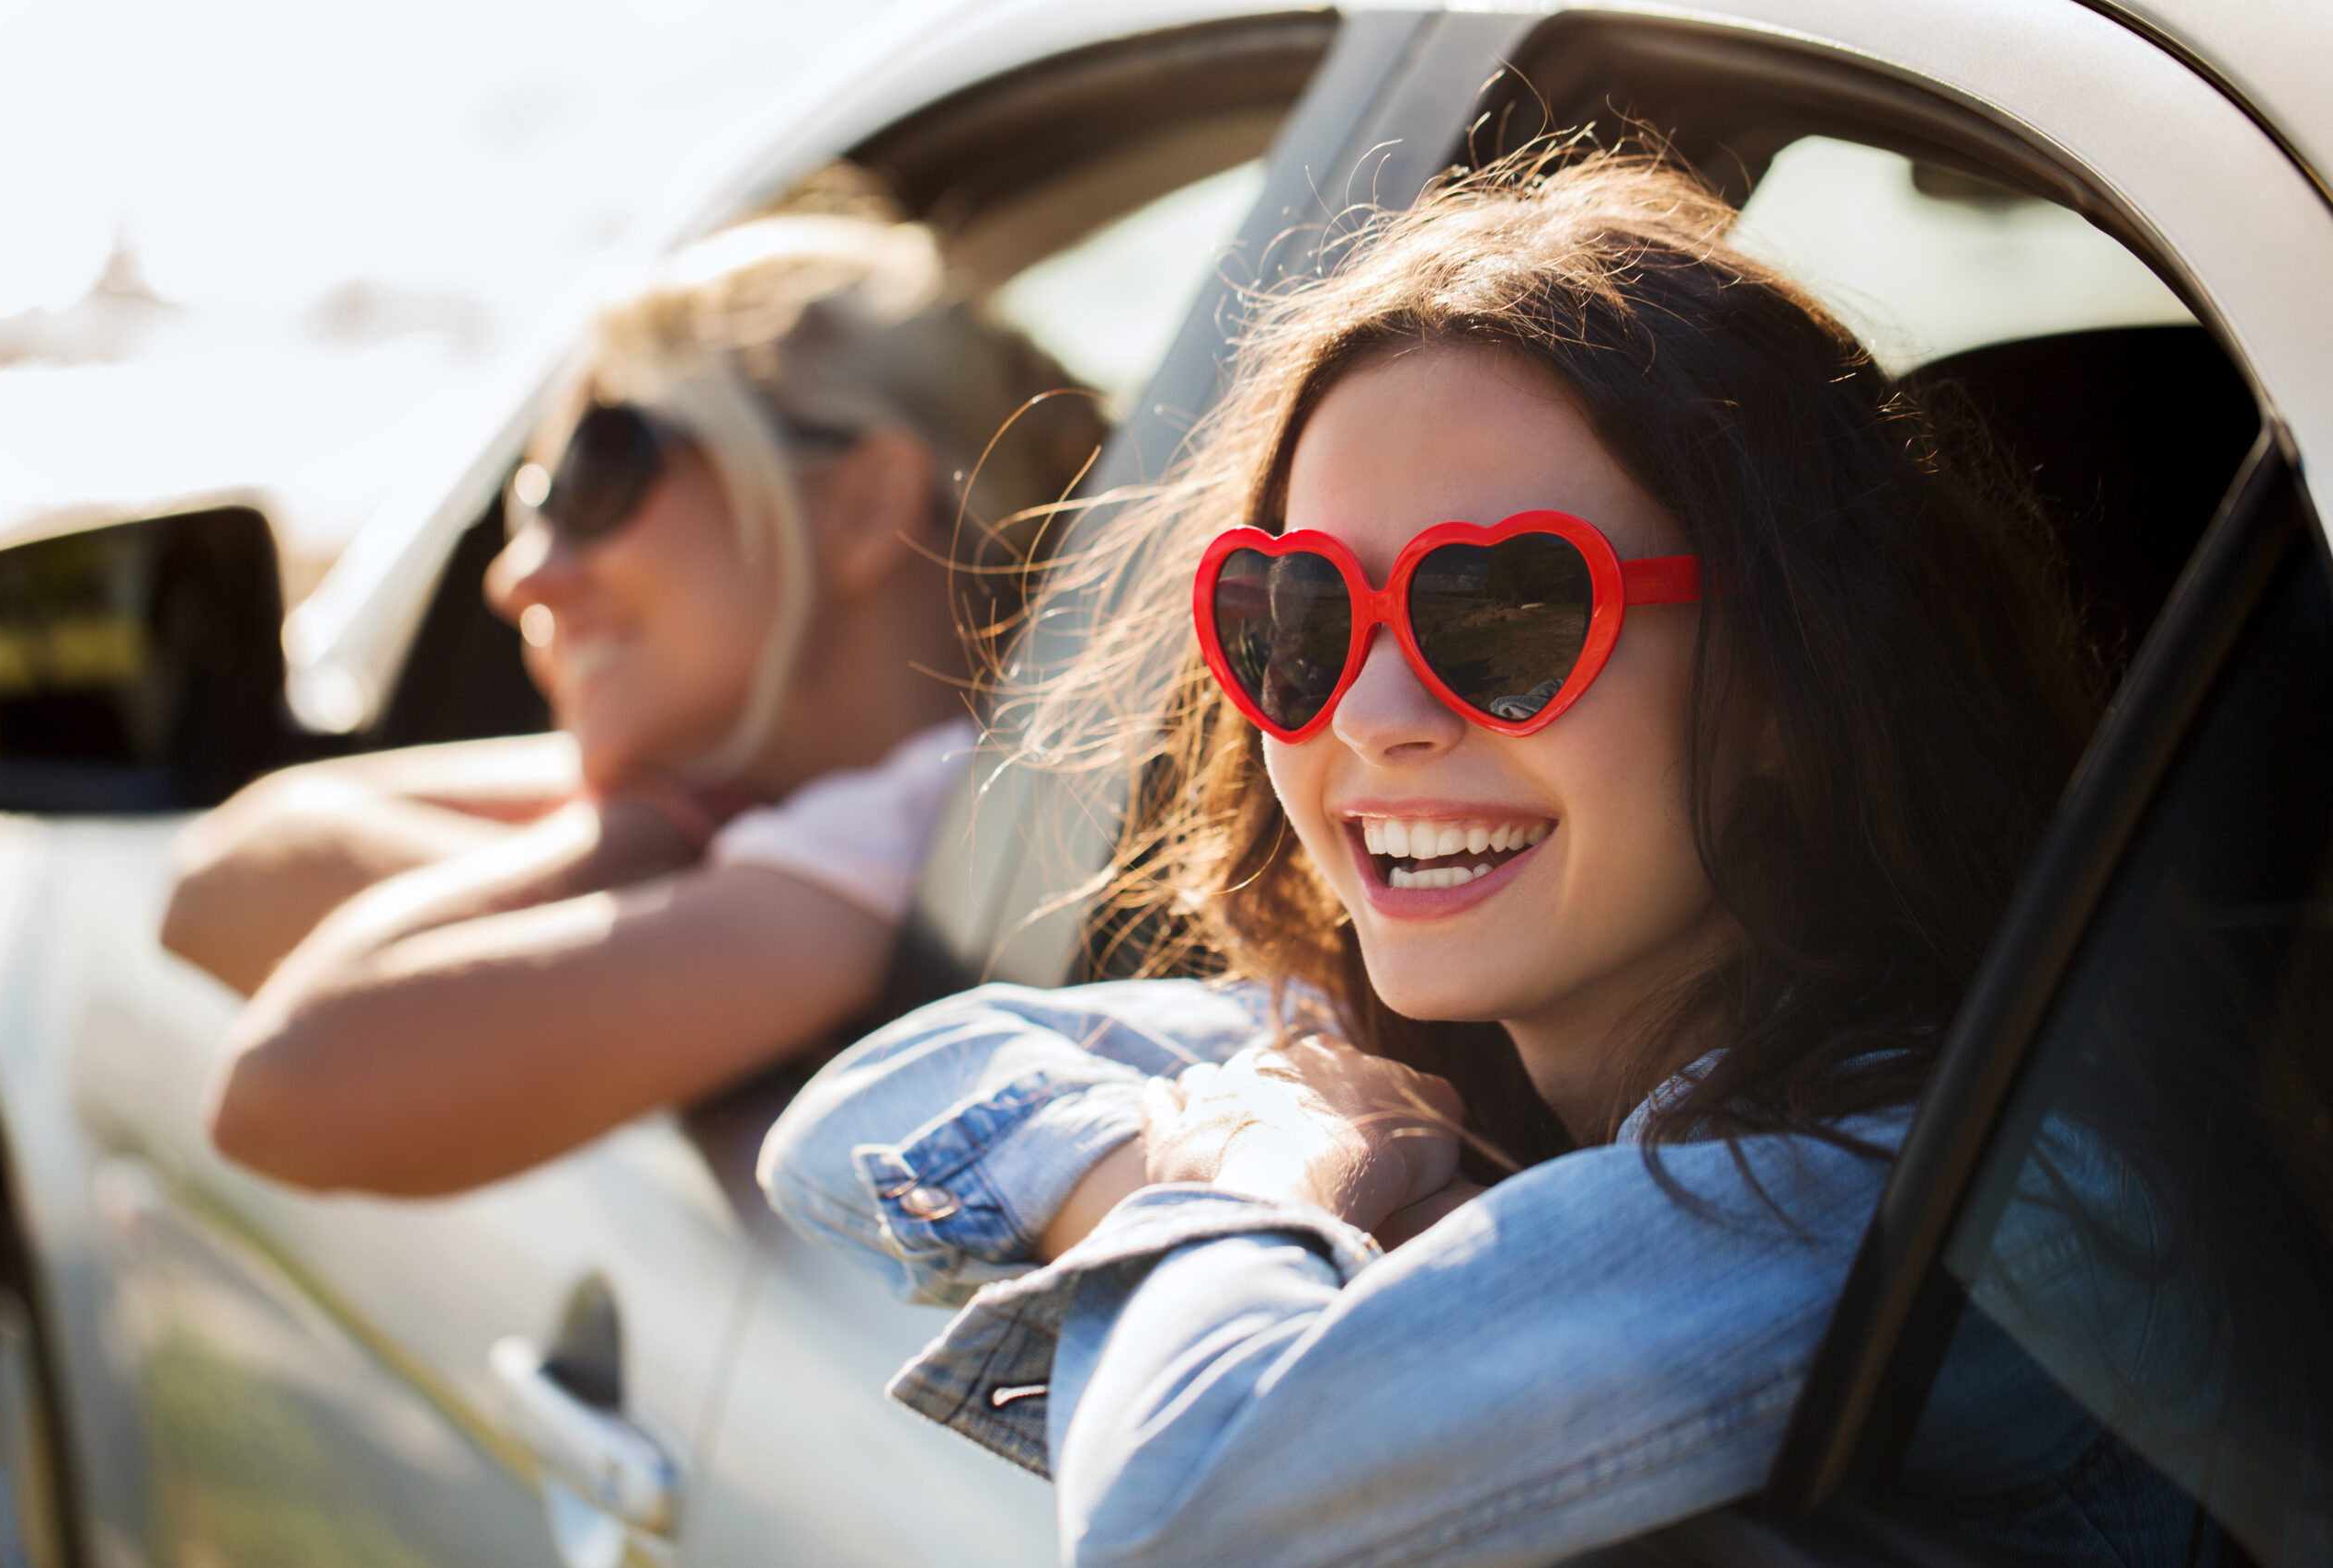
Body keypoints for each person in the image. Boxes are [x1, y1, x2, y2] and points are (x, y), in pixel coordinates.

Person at [756, 150, 2172, 1564]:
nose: (1372, 720)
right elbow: (863, 1114)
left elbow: (1177, 1511)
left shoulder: (1894, 1197)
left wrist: (1251, 1183)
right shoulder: (1466, 1064)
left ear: (1795, 680)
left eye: (1503, 612)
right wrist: (1376, 1190)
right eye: (1300, 615)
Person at [162, 198, 1101, 1197]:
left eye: (596, 472)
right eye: (528, 508)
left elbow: (285, 1087)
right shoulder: (890, 806)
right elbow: (222, 878)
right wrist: (675, 818)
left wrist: (645, 833)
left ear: (861, 505)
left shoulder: (916, 829)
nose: (519, 577)